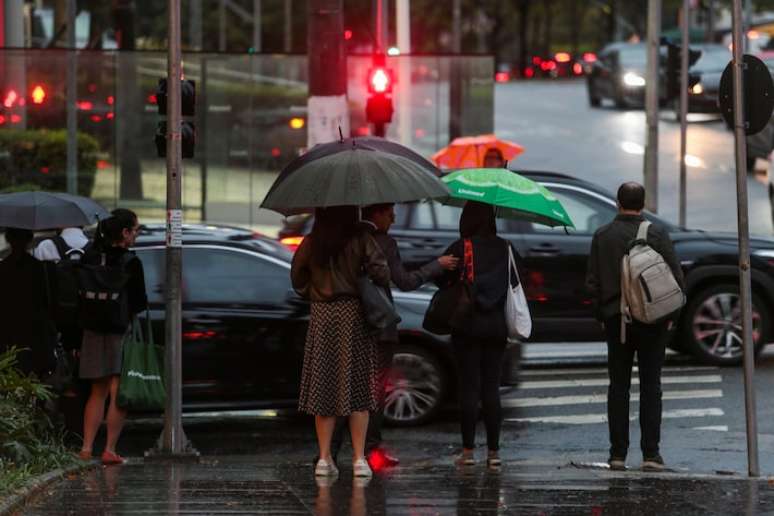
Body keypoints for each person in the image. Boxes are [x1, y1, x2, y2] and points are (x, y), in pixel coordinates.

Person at [329, 203, 459, 468]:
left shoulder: (339, 240)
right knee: (374, 391)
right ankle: (369, 451)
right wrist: (437, 265)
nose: (394, 217)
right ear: (375, 214)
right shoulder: (382, 243)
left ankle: (329, 453)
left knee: (344, 389)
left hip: (346, 325)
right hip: (377, 327)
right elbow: (405, 282)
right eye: (389, 212)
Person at [585, 182, 684, 472]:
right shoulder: (656, 234)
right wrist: (669, 318)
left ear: (617, 202)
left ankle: (617, 455)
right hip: (652, 321)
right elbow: (675, 278)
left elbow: (592, 283)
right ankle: (651, 455)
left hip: (617, 320)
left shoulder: (602, 236)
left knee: (618, 386)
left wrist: (603, 314)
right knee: (651, 385)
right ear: (643, 203)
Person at [291, 206, 391, 479]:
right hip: (353, 315)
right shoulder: (361, 239)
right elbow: (382, 272)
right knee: (358, 387)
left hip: (322, 316)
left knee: (324, 387)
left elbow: (297, 277)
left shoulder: (312, 241)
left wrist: (314, 292)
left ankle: (324, 459)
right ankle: (359, 460)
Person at [435, 201, 517, 468]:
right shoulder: (506, 248)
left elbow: (443, 281)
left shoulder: (461, 247)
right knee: (491, 388)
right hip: (496, 326)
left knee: (469, 388)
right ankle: (494, 454)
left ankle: (468, 452)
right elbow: (516, 281)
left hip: (467, 326)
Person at [78, 209, 147, 465]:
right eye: (135, 230)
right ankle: (109, 449)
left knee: (97, 391)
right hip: (120, 330)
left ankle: (86, 449)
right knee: (119, 391)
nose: (136, 235)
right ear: (125, 232)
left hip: (92, 329)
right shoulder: (131, 261)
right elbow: (139, 303)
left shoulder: (89, 255)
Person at [0, 227, 57, 377]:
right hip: (35, 330)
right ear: (30, 239)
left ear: (8, 239)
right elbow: (46, 299)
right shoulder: (40, 268)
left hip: (7, 329)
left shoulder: (3, 267)